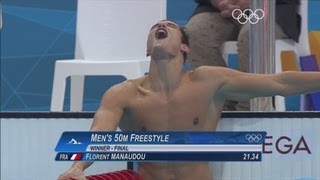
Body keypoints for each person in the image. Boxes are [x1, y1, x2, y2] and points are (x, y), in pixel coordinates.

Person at [58, 20, 320, 180]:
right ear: (148, 49)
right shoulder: (123, 93)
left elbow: (279, 83)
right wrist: (77, 167)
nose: (161, 26)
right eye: (155, 28)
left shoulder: (207, 81)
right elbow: (98, 136)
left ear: (185, 47)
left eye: (169, 26)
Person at [186, 0, 301, 111]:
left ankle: (251, 108)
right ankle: (217, 106)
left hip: (272, 8)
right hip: (217, 10)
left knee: (253, 34)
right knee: (195, 33)